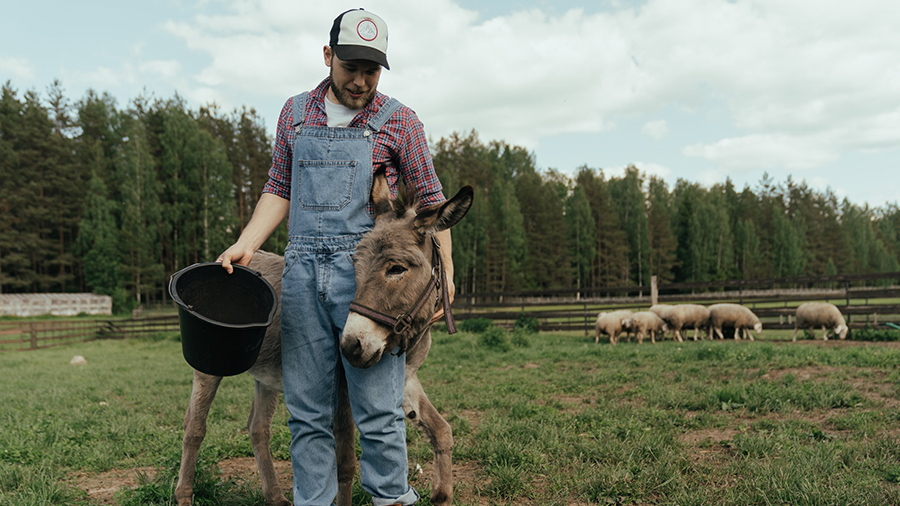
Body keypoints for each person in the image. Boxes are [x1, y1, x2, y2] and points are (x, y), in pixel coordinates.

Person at [216, 8, 453, 506]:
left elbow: (432, 200)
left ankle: (392, 498)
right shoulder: (295, 112)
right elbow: (278, 188)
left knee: (378, 411)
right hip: (301, 276)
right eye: (351, 68)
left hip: (365, 283)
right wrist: (247, 242)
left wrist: (446, 272)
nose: (361, 81)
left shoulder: (400, 121)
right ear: (328, 57)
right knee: (307, 413)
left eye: (372, 71)